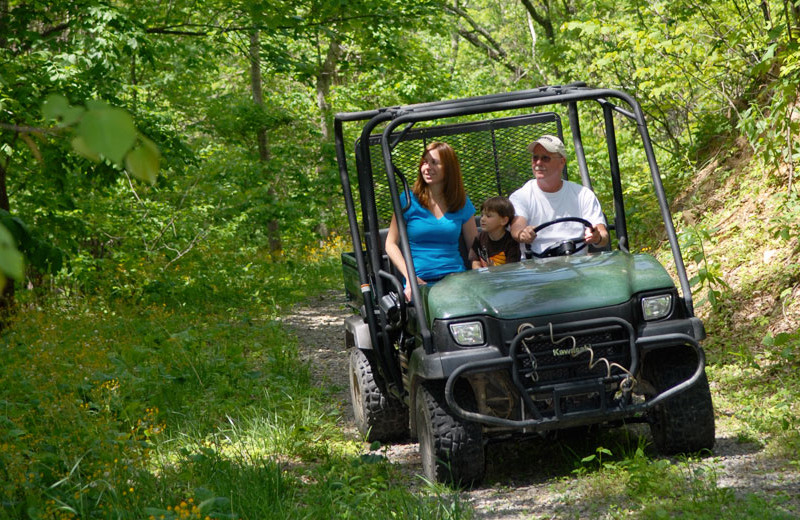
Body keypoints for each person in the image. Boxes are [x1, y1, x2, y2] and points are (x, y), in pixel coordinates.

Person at [385, 141, 478, 301]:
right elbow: (390, 244)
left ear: (448, 168)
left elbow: (475, 246)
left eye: (434, 163)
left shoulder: (460, 201)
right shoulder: (408, 200)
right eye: (424, 162)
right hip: (420, 280)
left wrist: (478, 273)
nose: (427, 167)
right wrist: (410, 277)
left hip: (455, 278)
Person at [509, 135, 609, 256]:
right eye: (535, 158)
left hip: (578, 266)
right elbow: (517, 228)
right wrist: (523, 234)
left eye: (545, 158)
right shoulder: (521, 196)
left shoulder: (583, 195)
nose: (538, 163)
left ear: (562, 162)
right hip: (537, 269)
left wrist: (596, 237)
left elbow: (603, 236)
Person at [469, 196, 521, 269]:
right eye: (482, 215)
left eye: (488, 216)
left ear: (504, 221)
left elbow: (511, 269)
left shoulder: (511, 242)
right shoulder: (479, 238)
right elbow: (475, 261)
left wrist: (494, 270)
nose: (482, 219)